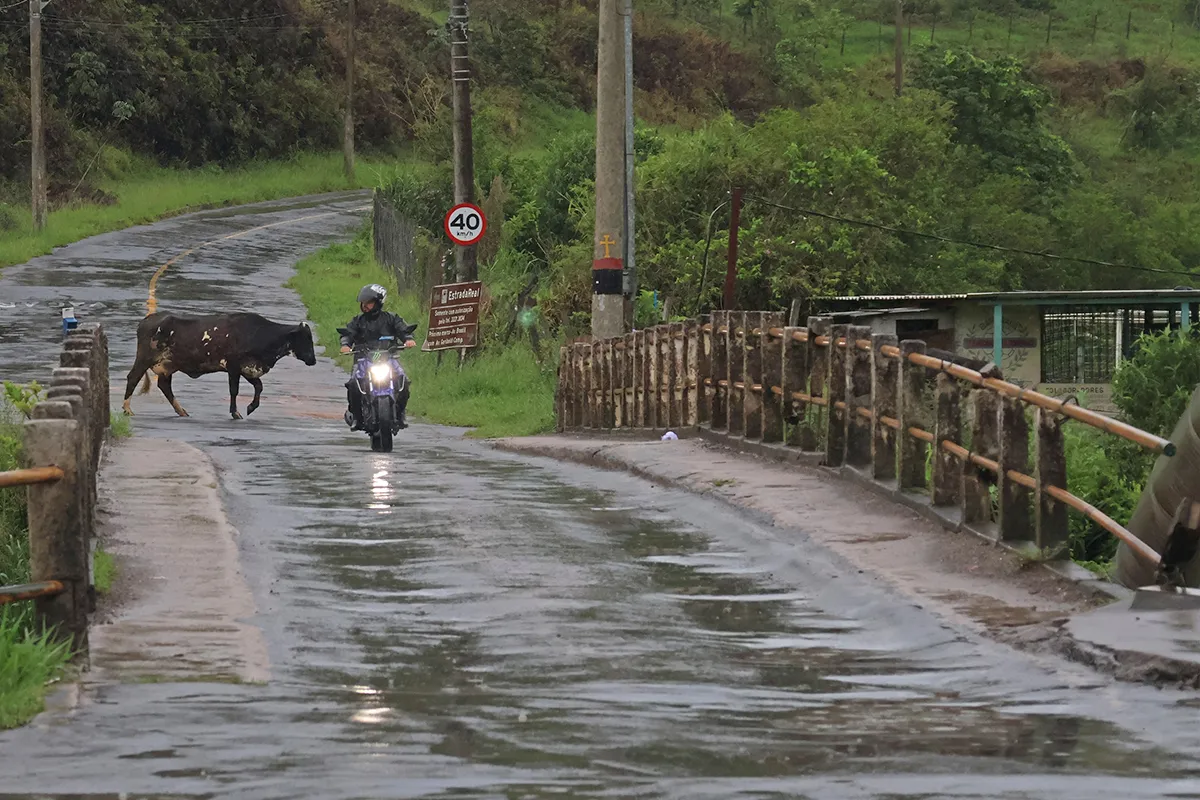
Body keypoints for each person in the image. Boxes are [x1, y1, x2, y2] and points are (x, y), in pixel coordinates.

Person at [340, 284, 417, 430]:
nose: (365, 306)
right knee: (353, 384)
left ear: (378, 302)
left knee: (404, 381)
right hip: (364, 360)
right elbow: (348, 334)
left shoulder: (391, 318)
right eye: (363, 303)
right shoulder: (358, 321)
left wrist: (408, 339)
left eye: (369, 302)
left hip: (389, 359)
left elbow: (403, 330)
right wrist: (346, 345)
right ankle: (357, 416)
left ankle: (400, 414)